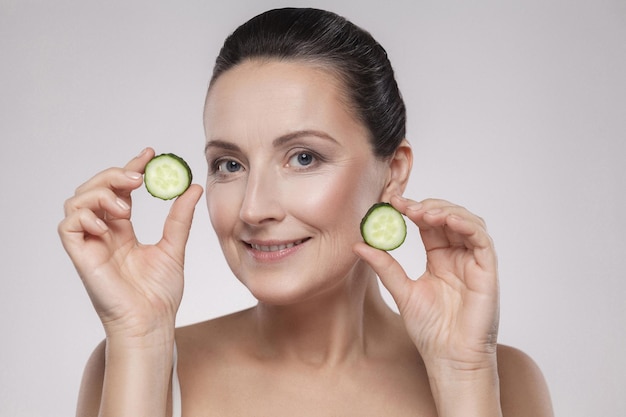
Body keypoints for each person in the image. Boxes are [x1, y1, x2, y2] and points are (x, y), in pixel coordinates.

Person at [59, 7, 553, 417]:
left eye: (303, 158)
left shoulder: (501, 379)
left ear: (393, 172)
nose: (254, 207)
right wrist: (141, 339)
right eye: (229, 164)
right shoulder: (132, 360)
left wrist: (462, 375)